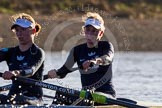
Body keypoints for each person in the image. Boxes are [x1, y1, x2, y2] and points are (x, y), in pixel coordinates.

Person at [48, 12, 116, 105]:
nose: (90, 34)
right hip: (86, 95)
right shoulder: (77, 50)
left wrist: (95, 61)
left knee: (88, 98)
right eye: (88, 30)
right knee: (61, 94)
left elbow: (108, 59)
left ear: (101, 33)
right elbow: (64, 71)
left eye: (94, 31)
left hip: (106, 95)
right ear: (84, 31)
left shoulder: (106, 46)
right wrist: (56, 73)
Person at [0, 13, 45, 105]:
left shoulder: (38, 52)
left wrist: (15, 73)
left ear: (33, 31)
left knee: (18, 99)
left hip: (34, 99)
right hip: (12, 96)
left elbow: (31, 70)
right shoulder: (9, 52)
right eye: (17, 30)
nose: (19, 33)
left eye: (23, 30)